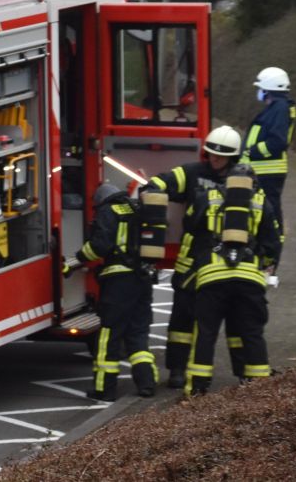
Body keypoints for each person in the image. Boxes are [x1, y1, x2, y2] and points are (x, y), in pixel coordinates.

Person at [145, 125, 242, 389]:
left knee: (231, 317)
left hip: (225, 258)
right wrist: (151, 192)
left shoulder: (244, 179)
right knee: (181, 317)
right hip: (192, 255)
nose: (214, 160)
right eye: (210, 154)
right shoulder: (193, 172)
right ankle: (177, 369)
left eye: (220, 157)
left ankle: (243, 371)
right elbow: (163, 181)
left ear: (233, 157)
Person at [185, 164, 282, 396]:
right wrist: (266, 264)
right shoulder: (261, 202)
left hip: (212, 277)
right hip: (249, 278)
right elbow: (273, 243)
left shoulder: (208, 197)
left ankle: (197, 388)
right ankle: (258, 389)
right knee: (252, 332)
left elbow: (190, 224)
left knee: (206, 332)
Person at [73, 182, 158, 401]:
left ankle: (105, 389)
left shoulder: (108, 211)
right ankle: (147, 383)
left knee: (109, 334)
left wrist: (79, 257)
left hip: (119, 282)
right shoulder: (137, 209)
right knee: (138, 333)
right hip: (143, 280)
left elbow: (99, 246)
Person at [241, 67, 296, 238]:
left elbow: (277, 142)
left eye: (260, 88)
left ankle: (274, 242)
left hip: (267, 171)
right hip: (262, 170)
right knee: (262, 208)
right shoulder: (276, 108)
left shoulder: (279, 108)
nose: (259, 92)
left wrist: (252, 151)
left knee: (269, 209)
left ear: (268, 89)